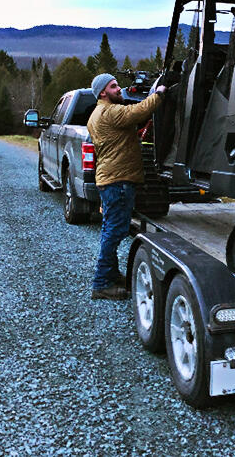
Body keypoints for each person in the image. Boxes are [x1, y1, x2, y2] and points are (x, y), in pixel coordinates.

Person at [87, 73, 166, 300]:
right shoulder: (110, 112)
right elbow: (137, 112)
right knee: (115, 231)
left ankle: (111, 275)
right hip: (118, 181)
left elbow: (120, 135)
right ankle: (101, 283)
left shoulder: (96, 114)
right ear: (103, 92)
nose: (119, 89)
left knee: (110, 229)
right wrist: (158, 94)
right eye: (114, 86)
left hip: (109, 179)